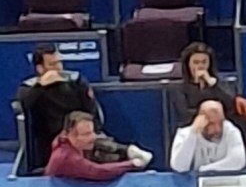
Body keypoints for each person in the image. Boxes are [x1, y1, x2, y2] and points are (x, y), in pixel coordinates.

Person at [18, 44, 152, 171]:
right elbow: (25, 106)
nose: (58, 68)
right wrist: (41, 86)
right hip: (54, 141)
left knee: (108, 154)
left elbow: (91, 111)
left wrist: (92, 133)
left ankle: (129, 155)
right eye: (52, 64)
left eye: (59, 62)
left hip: (83, 135)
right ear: (40, 68)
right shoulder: (30, 88)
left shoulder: (75, 80)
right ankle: (127, 152)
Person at [44, 111, 151, 181]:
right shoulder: (66, 157)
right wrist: (132, 164)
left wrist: (127, 150)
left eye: (92, 132)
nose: (93, 137)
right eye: (86, 134)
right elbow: (98, 172)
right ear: (70, 134)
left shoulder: (65, 138)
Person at [169, 41, 240, 130]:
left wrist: (213, 84)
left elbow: (231, 106)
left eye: (204, 62)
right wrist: (212, 113)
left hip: (220, 128)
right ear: (188, 64)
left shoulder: (219, 84)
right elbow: (185, 115)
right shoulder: (179, 87)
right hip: (193, 129)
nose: (200, 66)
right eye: (196, 62)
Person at [169, 100, 246, 174]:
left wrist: (206, 170)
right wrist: (193, 133)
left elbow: (238, 161)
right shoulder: (185, 134)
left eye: (220, 122)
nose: (217, 129)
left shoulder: (231, 131)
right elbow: (179, 167)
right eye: (212, 124)